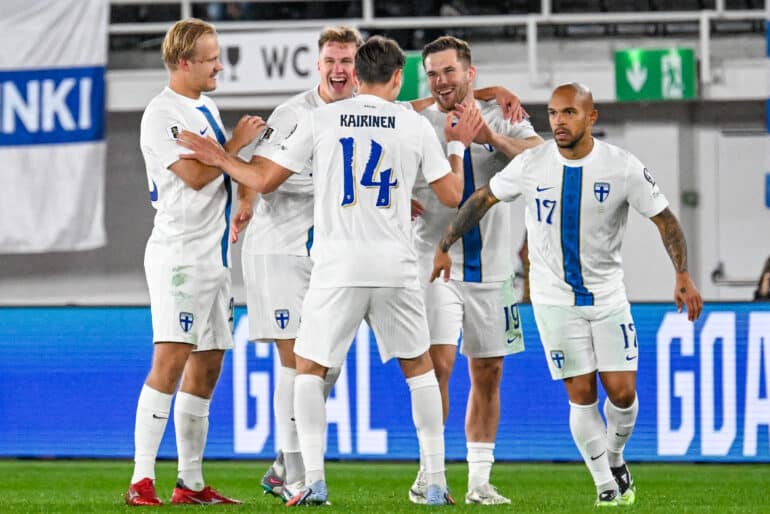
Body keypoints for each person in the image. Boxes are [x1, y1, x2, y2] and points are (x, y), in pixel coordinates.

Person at [177, 34, 484, 507]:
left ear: (356, 76)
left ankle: (311, 480)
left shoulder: (321, 119)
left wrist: (221, 157)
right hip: (396, 266)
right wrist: (458, 145)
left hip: (337, 266)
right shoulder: (412, 123)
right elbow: (451, 194)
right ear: (398, 78)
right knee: (420, 370)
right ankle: (436, 481)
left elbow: (264, 180)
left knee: (308, 370)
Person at [432, 82, 704, 508]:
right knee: (581, 392)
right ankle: (606, 487)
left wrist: (682, 274)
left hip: (607, 297)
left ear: (591, 117)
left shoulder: (622, 166)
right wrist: (445, 243)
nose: (558, 121)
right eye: (554, 113)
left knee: (623, 394)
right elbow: (483, 198)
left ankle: (614, 457)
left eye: (569, 113)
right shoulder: (533, 163)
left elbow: (665, 218)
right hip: (553, 301)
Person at [125, 18, 263, 506]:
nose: (218, 66)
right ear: (184, 62)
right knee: (170, 360)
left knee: (207, 366)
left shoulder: (205, 107)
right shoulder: (162, 113)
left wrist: (243, 194)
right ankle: (141, 480)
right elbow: (195, 175)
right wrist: (236, 144)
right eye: (210, 59)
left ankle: (190, 483)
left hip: (214, 258)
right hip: (179, 257)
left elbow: (219, 175)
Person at [409, 35, 543, 505]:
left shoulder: (502, 115)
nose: (441, 81)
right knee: (439, 366)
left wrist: (492, 138)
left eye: (449, 71)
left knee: (488, 371)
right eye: (432, 73)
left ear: (470, 73)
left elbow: (541, 157)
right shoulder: (416, 120)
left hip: (494, 269)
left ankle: (479, 482)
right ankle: (430, 474)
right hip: (436, 263)